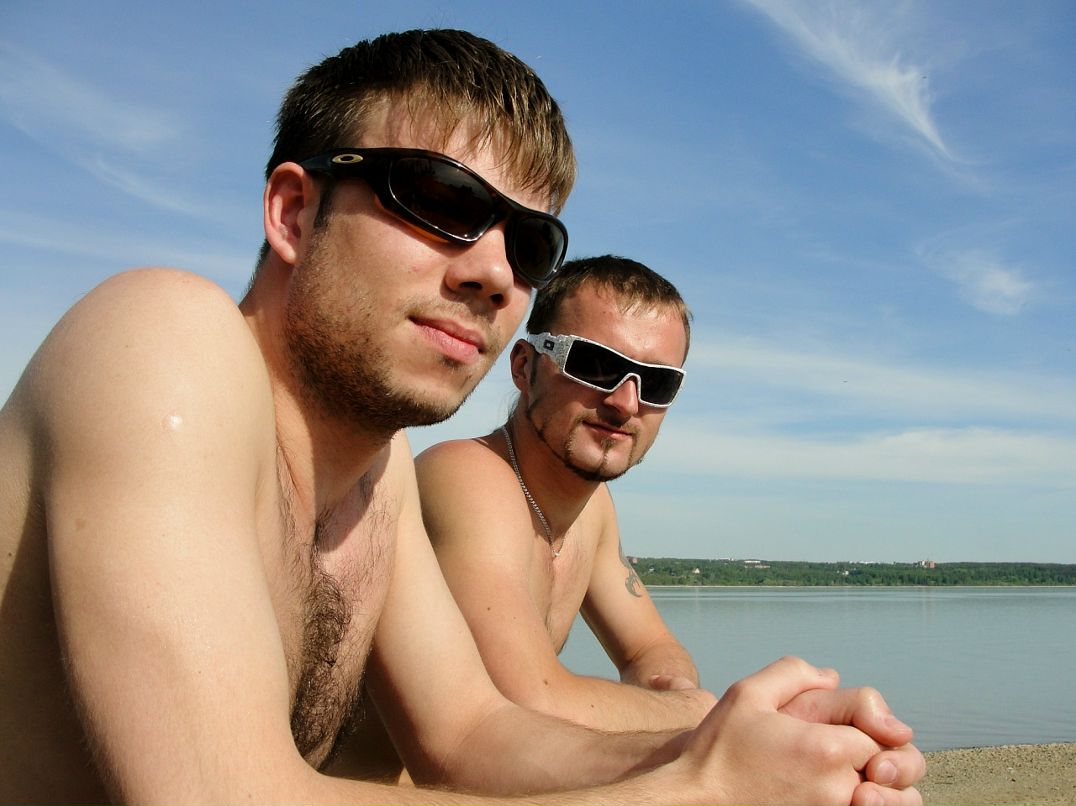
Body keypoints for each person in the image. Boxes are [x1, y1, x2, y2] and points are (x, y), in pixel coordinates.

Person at [0, 28, 924, 805]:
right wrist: (698, 790)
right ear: (293, 212)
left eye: (528, 244)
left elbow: (471, 735)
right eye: (441, 201)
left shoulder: (380, 476)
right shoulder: (162, 341)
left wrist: (732, 747)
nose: (493, 273)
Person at [416, 255, 716, 734]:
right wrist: (696, 714)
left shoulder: (592, 510)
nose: (624, 403)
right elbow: (530, 701)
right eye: (595, 364)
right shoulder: (467, 476)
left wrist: (673, 696)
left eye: (657, 383)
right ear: (524, 366)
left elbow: (651, 649)